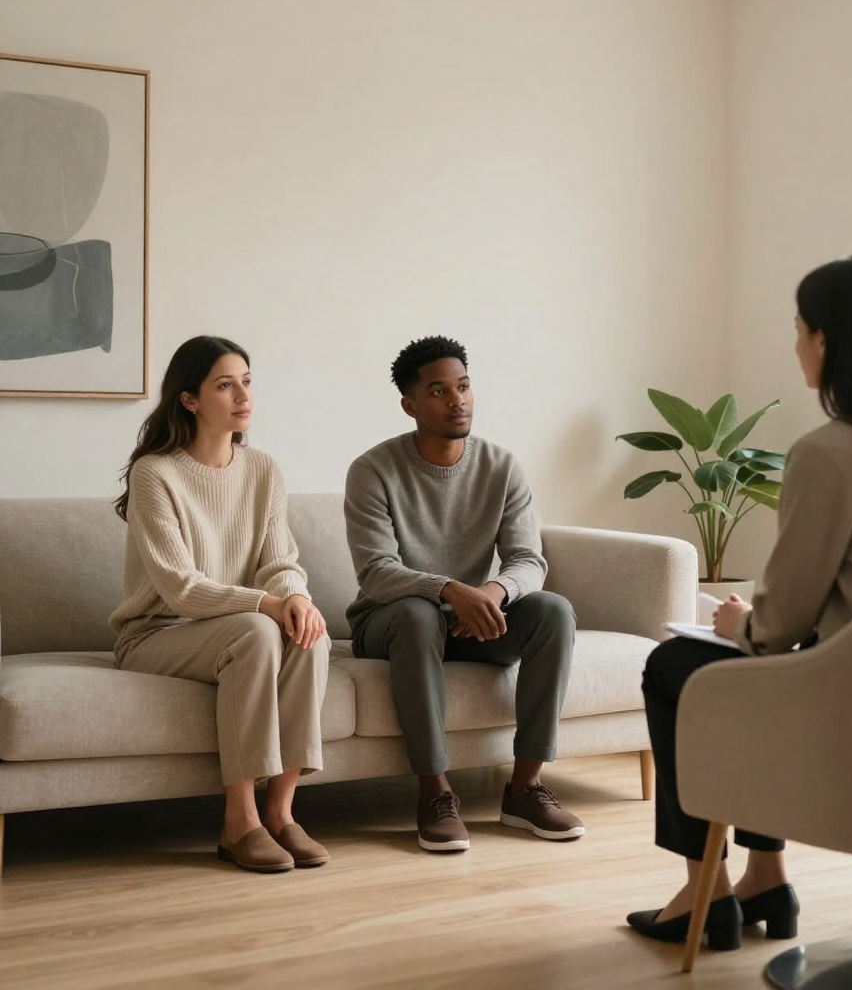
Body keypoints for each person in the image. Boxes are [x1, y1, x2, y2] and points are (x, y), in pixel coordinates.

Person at [627, 256, 852, 946]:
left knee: (674, 668)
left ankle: (706, 890)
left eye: (798, 329)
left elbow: (779, 626)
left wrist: (738, 621)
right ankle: (768, 876)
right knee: (760, 678)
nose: (795, 345)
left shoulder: (829, 454)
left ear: (826, 341)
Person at [344, 335, 584, 852]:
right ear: (410, 404)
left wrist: (494, 591)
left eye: (464, 386)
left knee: (553, 612)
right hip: (391, 624)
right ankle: (434, 791)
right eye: (438, 391)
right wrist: (452, 590)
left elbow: (529, 560)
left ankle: (525, 786)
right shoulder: (372, 471)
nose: (457, 400)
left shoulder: (502, 466)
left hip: (474, 620)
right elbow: (377, 573)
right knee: (416, 615)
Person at [110, 335, 332, 874]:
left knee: (310, 631)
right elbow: (180, 587)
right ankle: (240, 822)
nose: (242, 396)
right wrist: (266, 605)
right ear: (190, 398)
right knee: (257, 631)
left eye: (247, 382)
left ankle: (280, 813)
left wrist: (295, 598)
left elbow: (280, 558)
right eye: (225, 384)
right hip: (157, 633)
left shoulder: (263, 470)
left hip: (233, 626)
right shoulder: (154, 473)